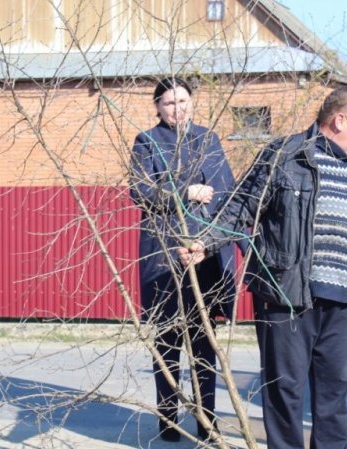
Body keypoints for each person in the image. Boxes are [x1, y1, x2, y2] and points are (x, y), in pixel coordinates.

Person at [177, 86, 347, 449]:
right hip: (287, 293)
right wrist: (205, 242)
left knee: (336, 389)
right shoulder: (285, 154)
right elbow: (241, 206)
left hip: (340, 297)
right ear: (339, 120)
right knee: (285, 389)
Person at [128, 77, 240, 443]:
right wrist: (183, 192)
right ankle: (169, 419)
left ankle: (207, 421)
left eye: (183, 101)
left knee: (203, 341)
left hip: (205, 255)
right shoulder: (147, 142)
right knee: (168, 339)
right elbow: (140, 191)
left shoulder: (208, 140)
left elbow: (228, 193)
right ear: (157, 107)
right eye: (169, 103)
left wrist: (216, 240)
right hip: (165, 255)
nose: (178, 108)